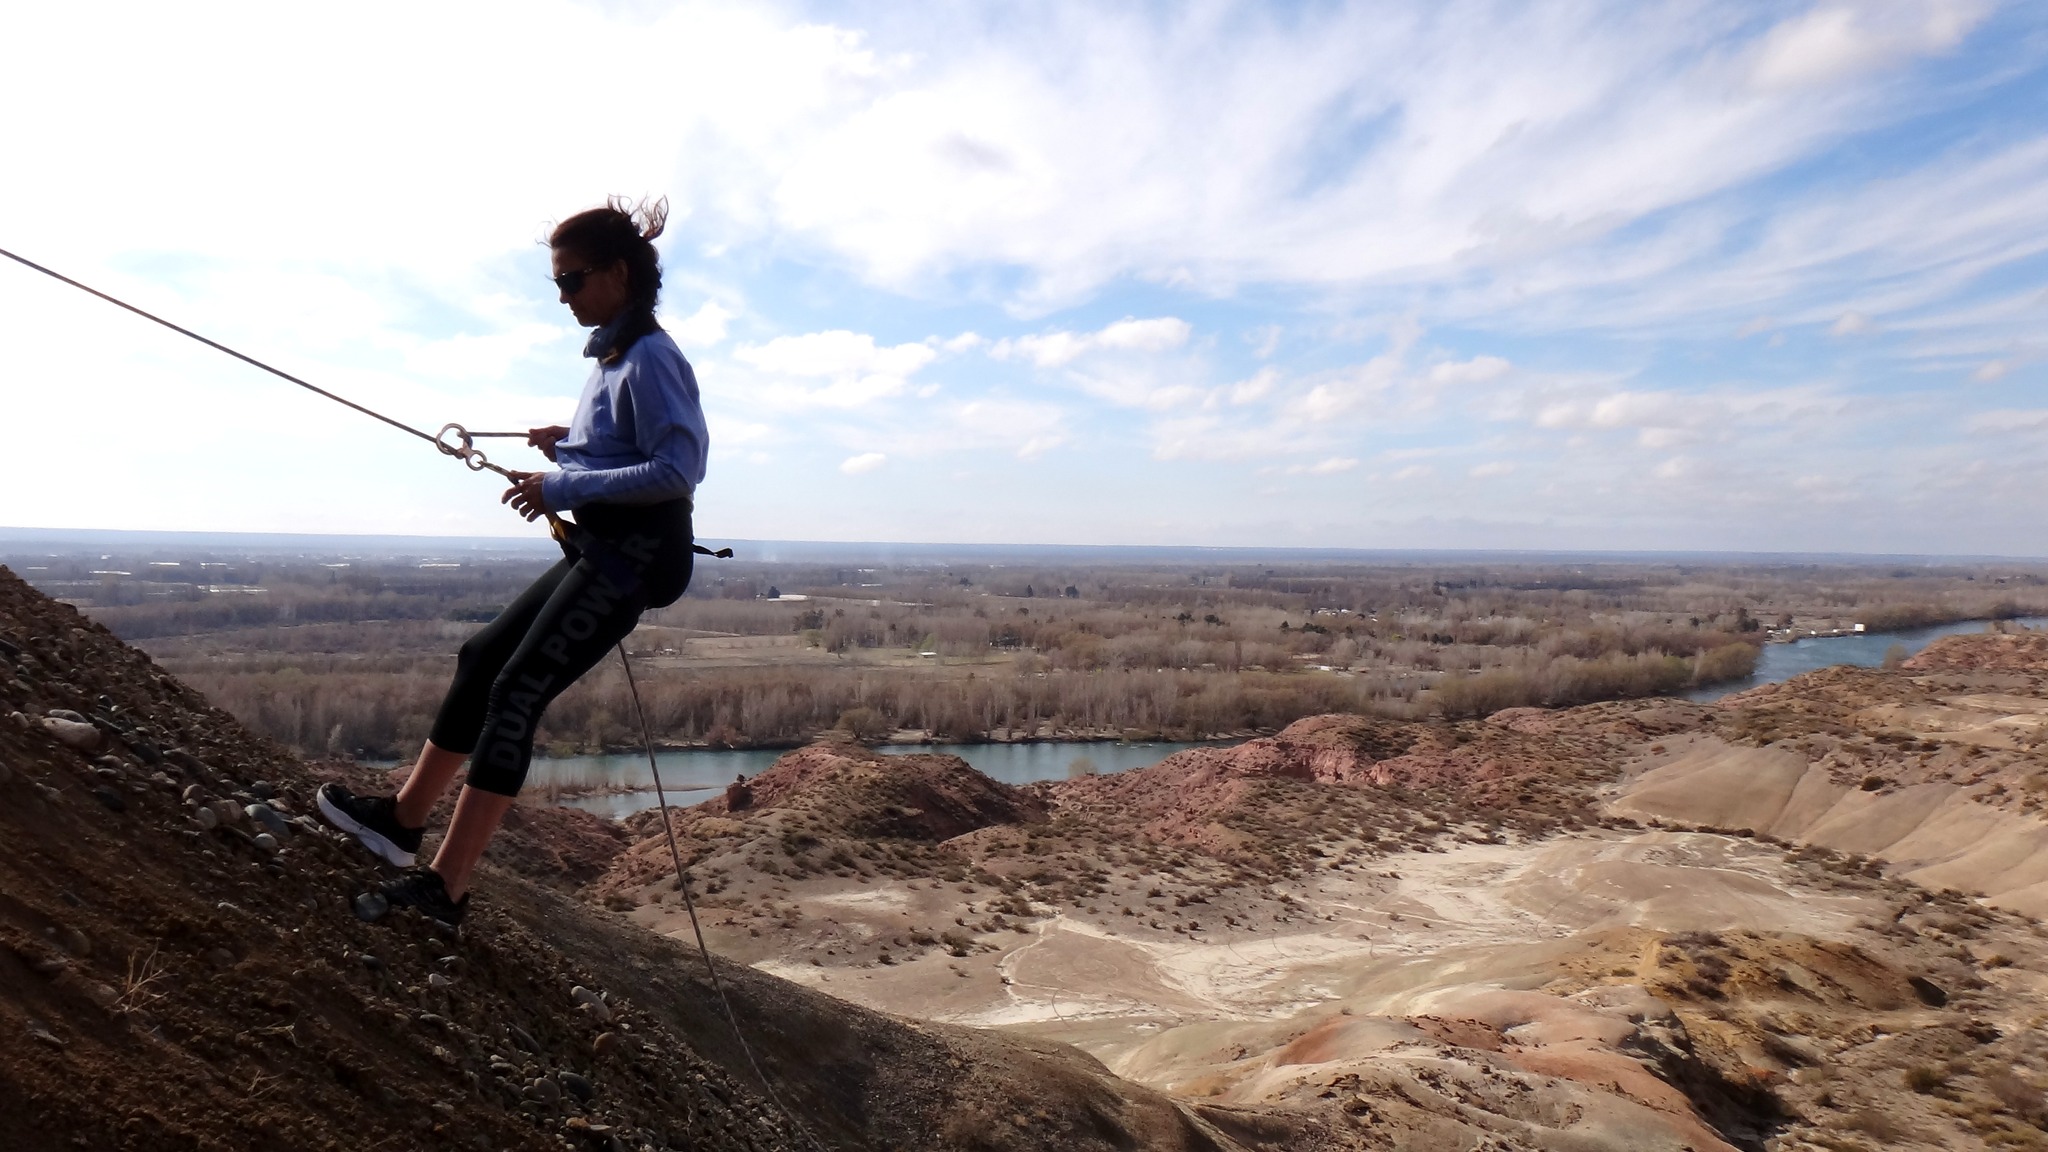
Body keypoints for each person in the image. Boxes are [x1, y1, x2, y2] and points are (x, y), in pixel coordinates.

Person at [317, 197, 707, 925]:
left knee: (517, 690)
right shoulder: (614, 357)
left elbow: (679, 470)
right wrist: (572, 445)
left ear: (618, 274)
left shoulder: (652, 356)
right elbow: (629, 452)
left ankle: (447, 889)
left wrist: (562, 482)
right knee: (482, 658)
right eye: (557, 284)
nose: (562, 297)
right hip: (608, 542)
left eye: (573, 280)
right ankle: (400, 821)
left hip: (638, 552)